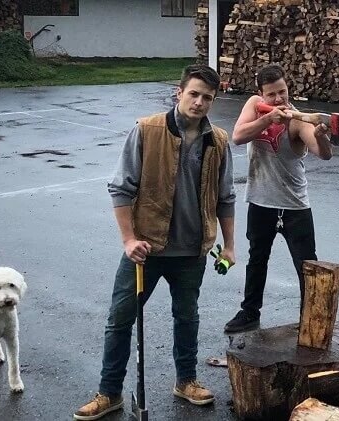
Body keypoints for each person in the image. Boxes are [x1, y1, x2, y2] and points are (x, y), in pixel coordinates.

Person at [74, 64, 236, 420]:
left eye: (207, 97)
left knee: (187, 317)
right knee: (120, 320)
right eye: (193, 93)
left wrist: (230, 245)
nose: (199, 102)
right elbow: (121, 187)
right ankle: (109, 393)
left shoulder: (218, 141)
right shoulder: (147, 130)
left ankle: (186, 381)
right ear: (178, 93)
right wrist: (129, 239)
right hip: (145, 250)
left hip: (192, 251)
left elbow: (226, 197)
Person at [223, 64, 333, 333]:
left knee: (307, 265)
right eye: (271, 94)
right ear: (261, 94)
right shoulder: (254, 105)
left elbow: (324, 153)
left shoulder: (296, 120)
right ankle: (250, 312)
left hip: (294, 206)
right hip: (261, 202)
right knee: (257, 259)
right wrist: (266, 119)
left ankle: (312, 318)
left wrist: (322, 137)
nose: (279, 99)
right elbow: (237, 136)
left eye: (282, 92)